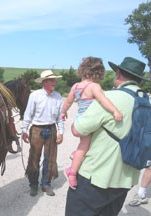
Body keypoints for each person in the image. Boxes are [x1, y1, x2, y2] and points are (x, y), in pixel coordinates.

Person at [65, 56, 150, 216]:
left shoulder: (109, 97)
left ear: (118, 73)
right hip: (125, 180)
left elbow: (78, 130)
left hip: (96, 178)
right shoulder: (145, 102)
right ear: (138, 80)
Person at [61, 57, 123, 190]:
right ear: (98, 73)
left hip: (79, 119)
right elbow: (103, 100)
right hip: (88, 121)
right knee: (84, 147)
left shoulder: (76, 86)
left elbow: (68, 102)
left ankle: (76, 155)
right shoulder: (94, 86)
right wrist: (115, 111)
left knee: (86, 144)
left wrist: (63, 112)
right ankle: (72, 172)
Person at [22, 69, 64, 197]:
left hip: (51, 129)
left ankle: (46, 183)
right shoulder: (35, 96)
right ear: (44, 82)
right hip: (36, 129)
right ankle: (33, 184)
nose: (54, 82)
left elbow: (60, 117)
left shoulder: (58, 96)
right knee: (34, 157)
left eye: (54, 80)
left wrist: (61, 132)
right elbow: (28, 113)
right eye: (51, 80)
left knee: (50, 158)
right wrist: (24, 130)